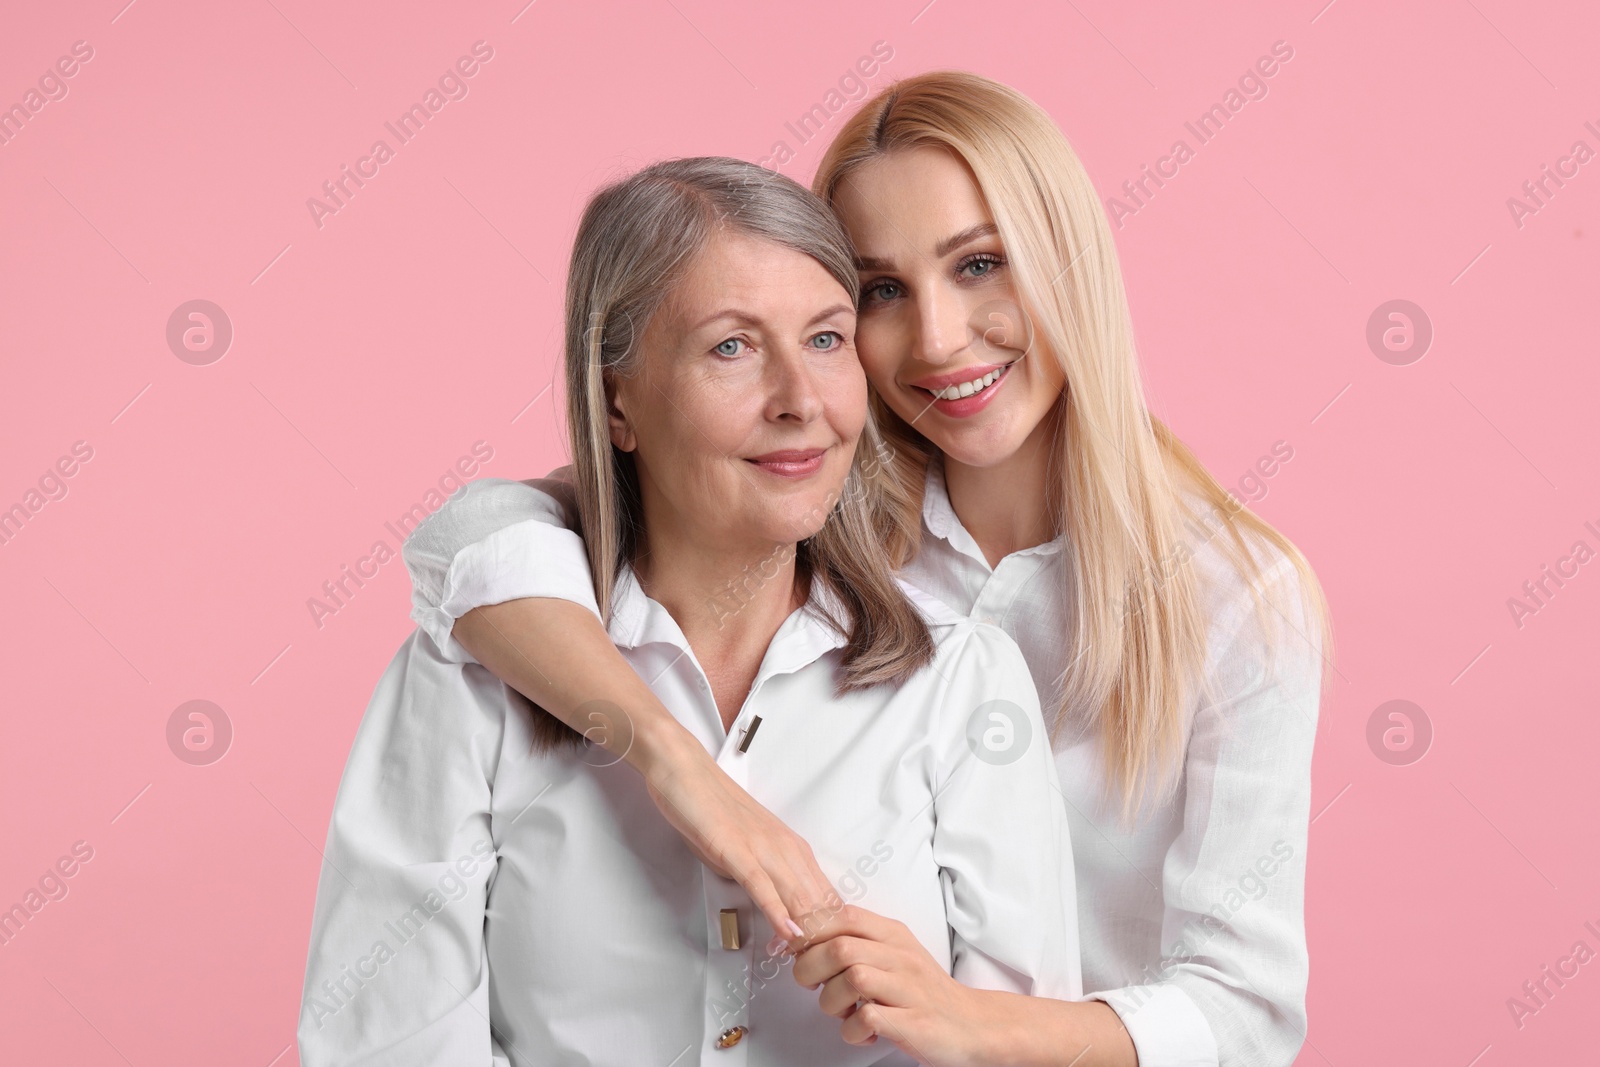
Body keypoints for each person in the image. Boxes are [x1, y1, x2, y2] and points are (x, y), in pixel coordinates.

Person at [398, 72, 1334, 1067]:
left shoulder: (1231, 594)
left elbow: (1245, 1010)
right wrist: (676, 764)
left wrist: (970, 1021)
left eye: (980, 264)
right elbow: (473, 539)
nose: (935, 338)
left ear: (1069, 261)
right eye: (881, 290)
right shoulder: (801, 511)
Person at [298, 155, 1081, 1067]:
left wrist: (941, 1017)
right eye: (732, 347)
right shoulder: (470, 683)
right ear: (617, 397)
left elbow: (1021, 1036)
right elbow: (384, 1040)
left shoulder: (959, 681)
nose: (799, 401)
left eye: (827, 339)